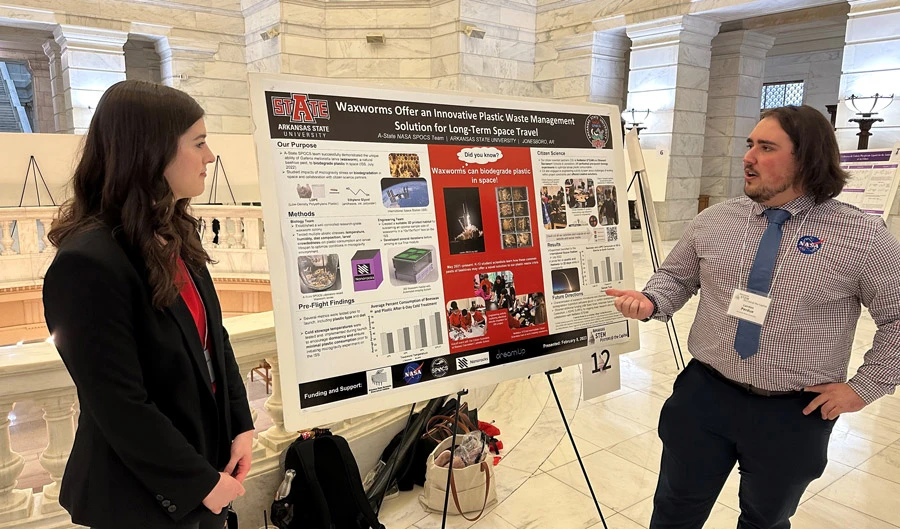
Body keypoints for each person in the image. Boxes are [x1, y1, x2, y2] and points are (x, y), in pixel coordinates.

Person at [606, 105, 900, 529]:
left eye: (766, 147)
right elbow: (675, 277)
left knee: (766, 520)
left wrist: (864, 387)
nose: (748, 157)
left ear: (807, 159)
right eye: (749, 145)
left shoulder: (861, 236)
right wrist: (651, 301)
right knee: (676, 506)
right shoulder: (715, 221)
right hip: (704, 396)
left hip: (793, 413)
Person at [42, 80, 255, 529]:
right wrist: (199, 482)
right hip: (140, 497)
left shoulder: (177, 231)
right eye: (198, 143)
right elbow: (119, 404)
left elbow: (214, 340)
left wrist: (240, 422)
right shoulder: (87, 262)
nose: (210, 156)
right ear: (152, 152)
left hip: (206, 472)